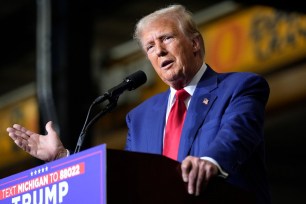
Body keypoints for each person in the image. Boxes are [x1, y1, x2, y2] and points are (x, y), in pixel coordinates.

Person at [7, 4, 271, 204]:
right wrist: (64, 160)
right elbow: (128, 177)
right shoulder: (141, 116)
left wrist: (210, 162)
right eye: (150, 47)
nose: (159, 51)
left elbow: (236, 136)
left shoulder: (241, 87)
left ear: (194, 43)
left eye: (166, 38)